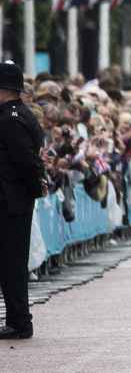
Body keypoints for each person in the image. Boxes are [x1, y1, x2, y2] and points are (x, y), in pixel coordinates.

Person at [0, 61, 46, 339]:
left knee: (11, 263)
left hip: (10, 199)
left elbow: (25, 161)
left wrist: (32, 189)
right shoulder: (20, 114)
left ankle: (19, 321)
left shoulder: (10, 118)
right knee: (10, 262)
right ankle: (17, 318)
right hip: (13, 198)